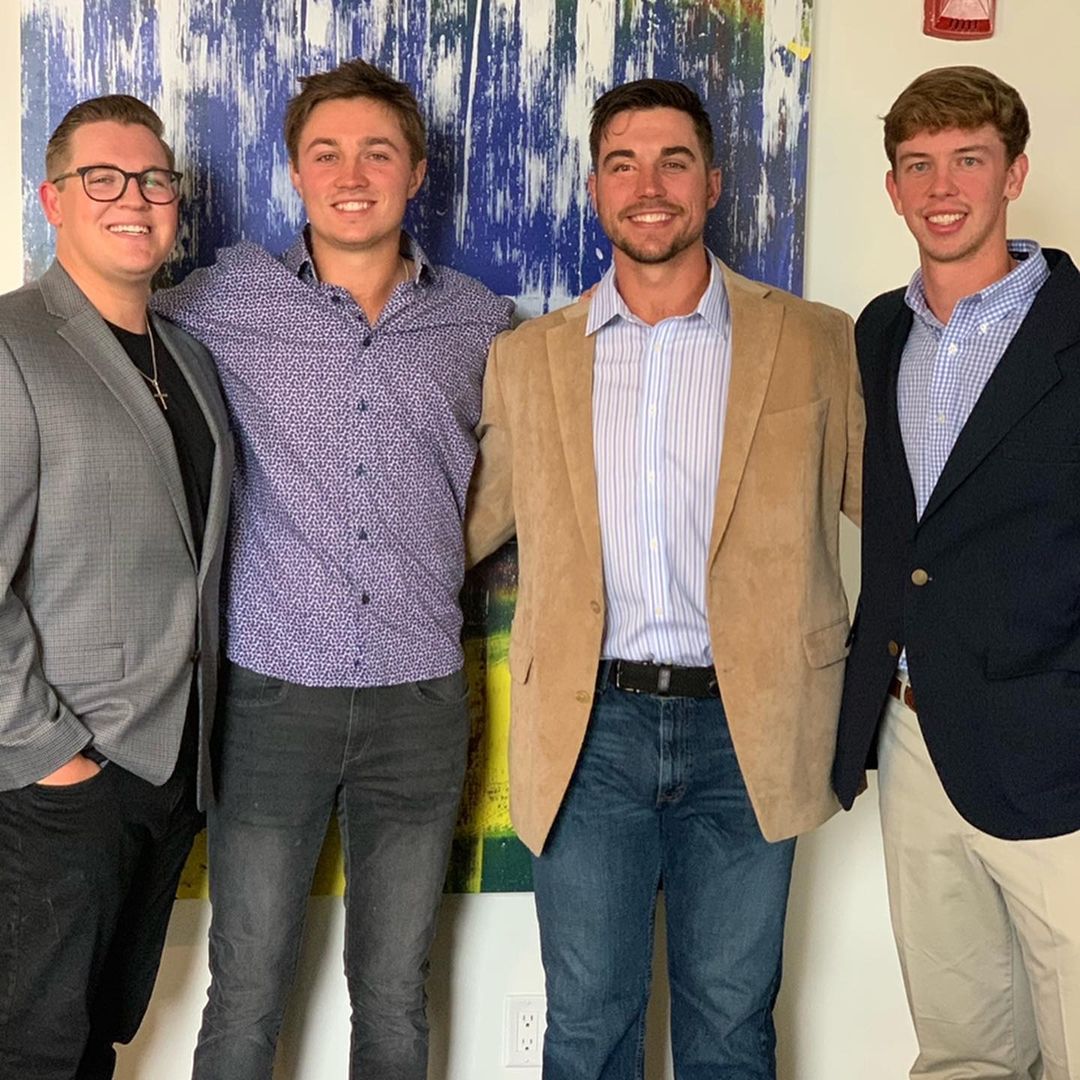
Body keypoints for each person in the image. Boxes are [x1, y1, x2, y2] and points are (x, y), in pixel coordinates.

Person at [465, 77, 863, 1079]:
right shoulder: (526, 358)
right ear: (596, 189)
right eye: (624, 164)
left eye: (673, 162)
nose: (649, 186)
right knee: (588, 1028)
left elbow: (901, 517)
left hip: (751, 727)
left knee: (731, 1028)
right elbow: (459, 531)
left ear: (713, 182)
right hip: (589, 730)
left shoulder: (814, 340)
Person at [152, 58, 512, 1080]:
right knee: (246, 992)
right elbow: (107, 335)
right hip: (271, 699)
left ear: (417, 171)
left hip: (420, 704)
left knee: (395, 994)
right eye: (327, 154)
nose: (352, 175)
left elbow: (533, 475)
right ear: (296, 174)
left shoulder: (482, 323)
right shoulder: (220, 302)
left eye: (377, 153)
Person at [833, 66, 1080, 1078]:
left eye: (969, 160)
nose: (942, 188)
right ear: (892, 188)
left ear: (1013, 173)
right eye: (918, 164)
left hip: (1056, 746)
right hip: (912, 730)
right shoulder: (879, 331)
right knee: (963, 1048)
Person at [0, 95, 232, 1080]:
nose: (133, 198)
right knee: (35, 1048)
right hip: (59, 778)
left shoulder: (189, 359)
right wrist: (53, 759)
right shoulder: (12, 342)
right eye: (103, 178)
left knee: (95, 1036)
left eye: (152, 180)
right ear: (53, 200)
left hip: (169, 771)